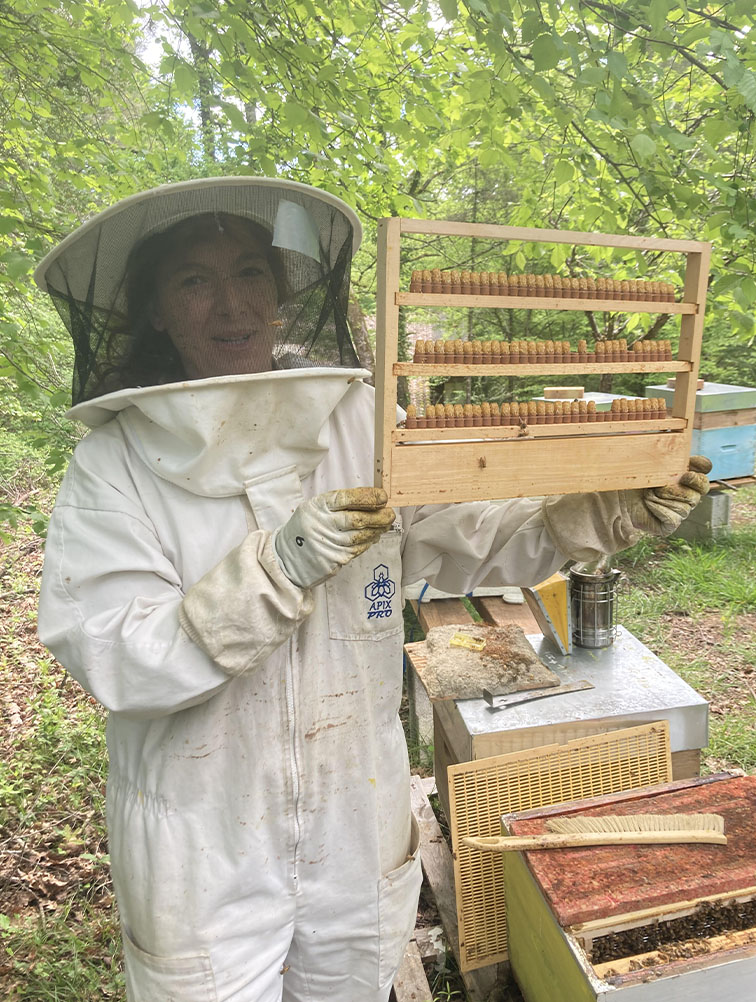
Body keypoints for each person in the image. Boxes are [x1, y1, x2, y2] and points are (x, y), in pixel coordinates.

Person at [35, 177, 710, 1002]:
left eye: (250, 273)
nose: (229, 303)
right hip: (201, 838)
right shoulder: (115, 463)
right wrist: (275, 569)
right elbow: (115, 657)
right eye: (193, 281)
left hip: (354, 815)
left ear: (284, 294)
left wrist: (602, 510)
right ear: (157, 313)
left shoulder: (355, 418)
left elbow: (462, 539)